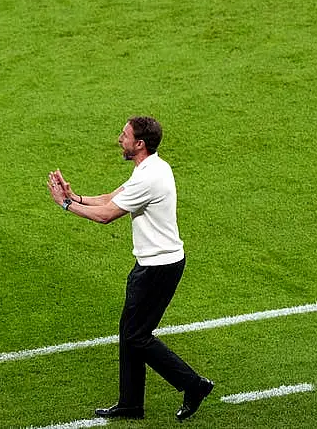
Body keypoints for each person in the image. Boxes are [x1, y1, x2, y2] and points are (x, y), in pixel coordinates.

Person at [47, 116, 213, 420]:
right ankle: (130, 403)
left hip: (157, 268)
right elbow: (114, 197)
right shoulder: (151, 168)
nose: (119, 139)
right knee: (130, 333)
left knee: (137, 336)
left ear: (140, 144)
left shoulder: (149, 177)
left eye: (124, 136)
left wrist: (65, 205)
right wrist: (75, 196)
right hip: (154, 264)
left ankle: (193, 384)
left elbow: (107, 215)